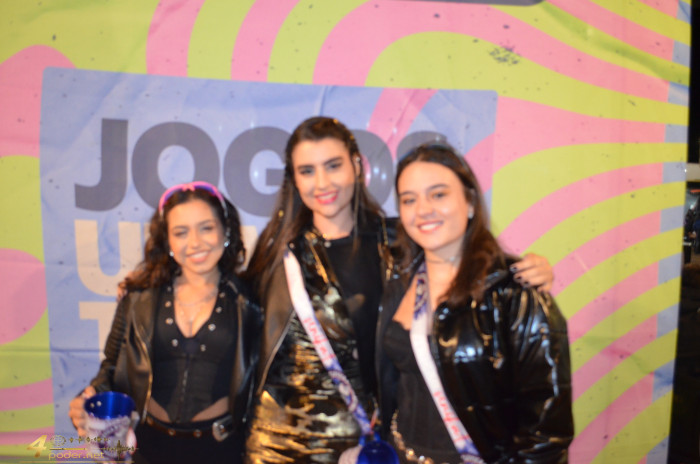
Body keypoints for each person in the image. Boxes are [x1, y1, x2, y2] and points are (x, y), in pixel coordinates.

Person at [243, 116, 555, 463]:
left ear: (357, 166)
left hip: (367, 446)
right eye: (307, 171)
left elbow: (463, 256)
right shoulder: (277, 253)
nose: (322, 182)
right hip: (281, 446)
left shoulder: (399, 244)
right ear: (294, 179)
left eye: (333, 165)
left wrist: (520, 268)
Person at [377, 143, 574, 463]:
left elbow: (545, 434)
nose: (423, 209)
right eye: (409, 199)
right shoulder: (396, 276)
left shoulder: (515, 295)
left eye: (438, 194)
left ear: (469, 202)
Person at [68, 181, 260, 464]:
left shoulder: (252, 302)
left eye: (206, 228)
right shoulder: (138, 298)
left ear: (226, 231)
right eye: (181, 232)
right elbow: (111, 368)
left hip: (222, 450)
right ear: (167, 241)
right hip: (149, 448)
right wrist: (89, 398)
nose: (195, 242)